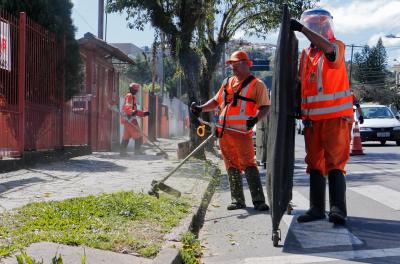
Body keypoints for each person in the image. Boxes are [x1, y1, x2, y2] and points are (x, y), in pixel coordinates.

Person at [291, 8, 353, 225]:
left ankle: (338, 210)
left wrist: (302, 29)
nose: (314, 30)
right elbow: (302, 83)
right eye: (311, 26)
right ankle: (316, 209)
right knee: (315, 163)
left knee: (335, 163)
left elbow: (329, 50)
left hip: (336, 118)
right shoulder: (306, 55)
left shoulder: (337, 46)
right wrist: (297, 105)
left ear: (325, 27)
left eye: (317, 26)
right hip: (312, 121)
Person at [191, 50, 270, 211]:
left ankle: (259, 201)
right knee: (231, 165)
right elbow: (216, 101)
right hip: (224, 133)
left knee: (249, 164)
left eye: (236, 65)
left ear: (247, 65)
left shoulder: (257, 84)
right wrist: (201, 108)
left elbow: (265, 107)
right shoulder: (227, 82)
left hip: (242, 133)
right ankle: (237, 200)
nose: (233, 68)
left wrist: (255, 119)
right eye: (231, 65)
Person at [120, 83, 150, 157]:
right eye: (136, 90)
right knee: (139, 136)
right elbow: (128, 107)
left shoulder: (131, 97)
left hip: (127, 120)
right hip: (130, 120)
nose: (137, 91)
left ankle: (122, 152)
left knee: (126, 137)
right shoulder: (130, 96)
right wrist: (132, 112)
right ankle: (137, 151)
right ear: (134, 90)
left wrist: (143, 114)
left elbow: (134, 111)